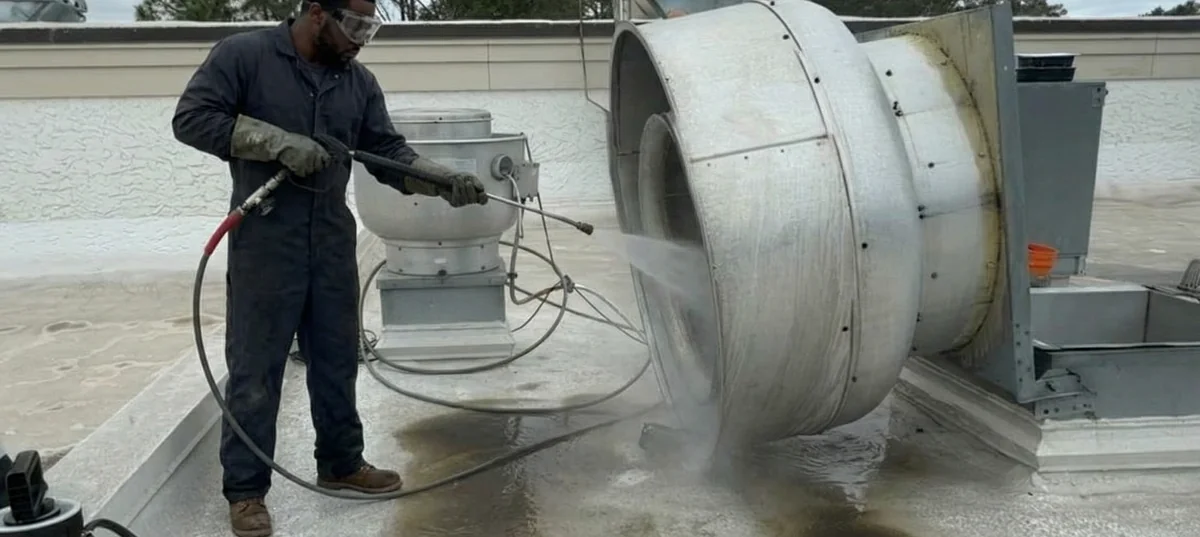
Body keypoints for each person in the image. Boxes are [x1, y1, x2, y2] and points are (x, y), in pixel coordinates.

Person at [171, 1, 488, 535]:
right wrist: (276, 141)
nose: (362, 39)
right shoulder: (244, 56)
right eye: (356, 26)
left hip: (332, 241)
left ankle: (341, 463)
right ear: (317, 13)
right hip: (267, 241)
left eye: (371, 28)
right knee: (257, 371)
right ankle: (247, 491)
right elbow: (192, 118)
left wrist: (438, 178)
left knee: (337, 359)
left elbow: (384, 151)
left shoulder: (357, 81)